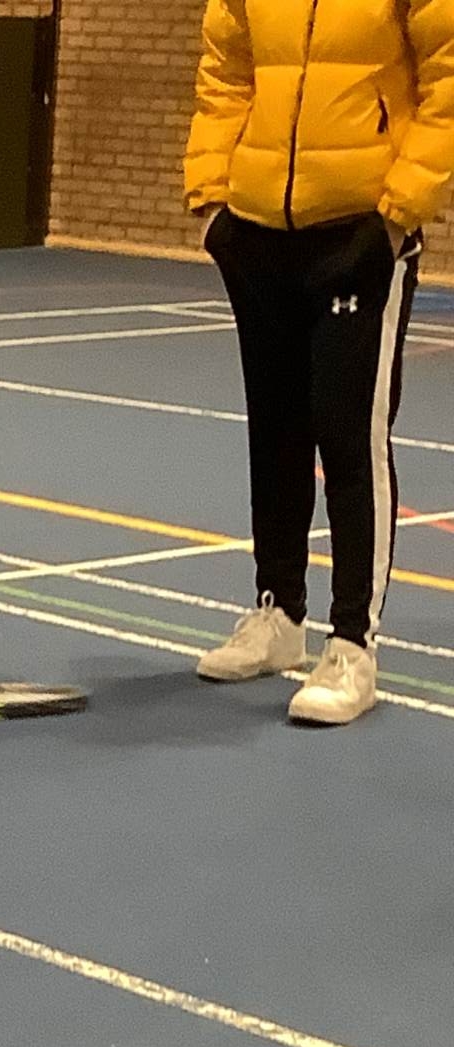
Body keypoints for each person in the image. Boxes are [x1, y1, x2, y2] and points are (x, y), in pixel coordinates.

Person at [185, 0, 454, 723]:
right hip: (259, 229)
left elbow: (447, 82)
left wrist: (396, 214)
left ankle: (353, 644)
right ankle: (278, 613)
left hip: (361, 232)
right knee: (275, 430)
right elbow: (225, 74)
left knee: (349, 436)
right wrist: (212, 201)